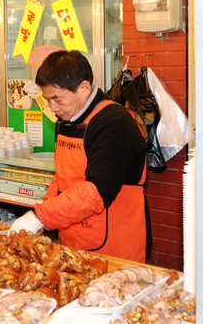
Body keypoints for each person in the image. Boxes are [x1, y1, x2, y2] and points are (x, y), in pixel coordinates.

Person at [11, 50, 148, 263]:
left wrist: (40, 217)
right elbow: (63, 176)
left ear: (84, 88)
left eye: (57, 99)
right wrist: (45, 209)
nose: (53, 108)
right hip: (73, 242)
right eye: (47, 100)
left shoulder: (114, 122)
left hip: (114, 248)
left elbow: (95, 192)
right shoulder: (67, 119)